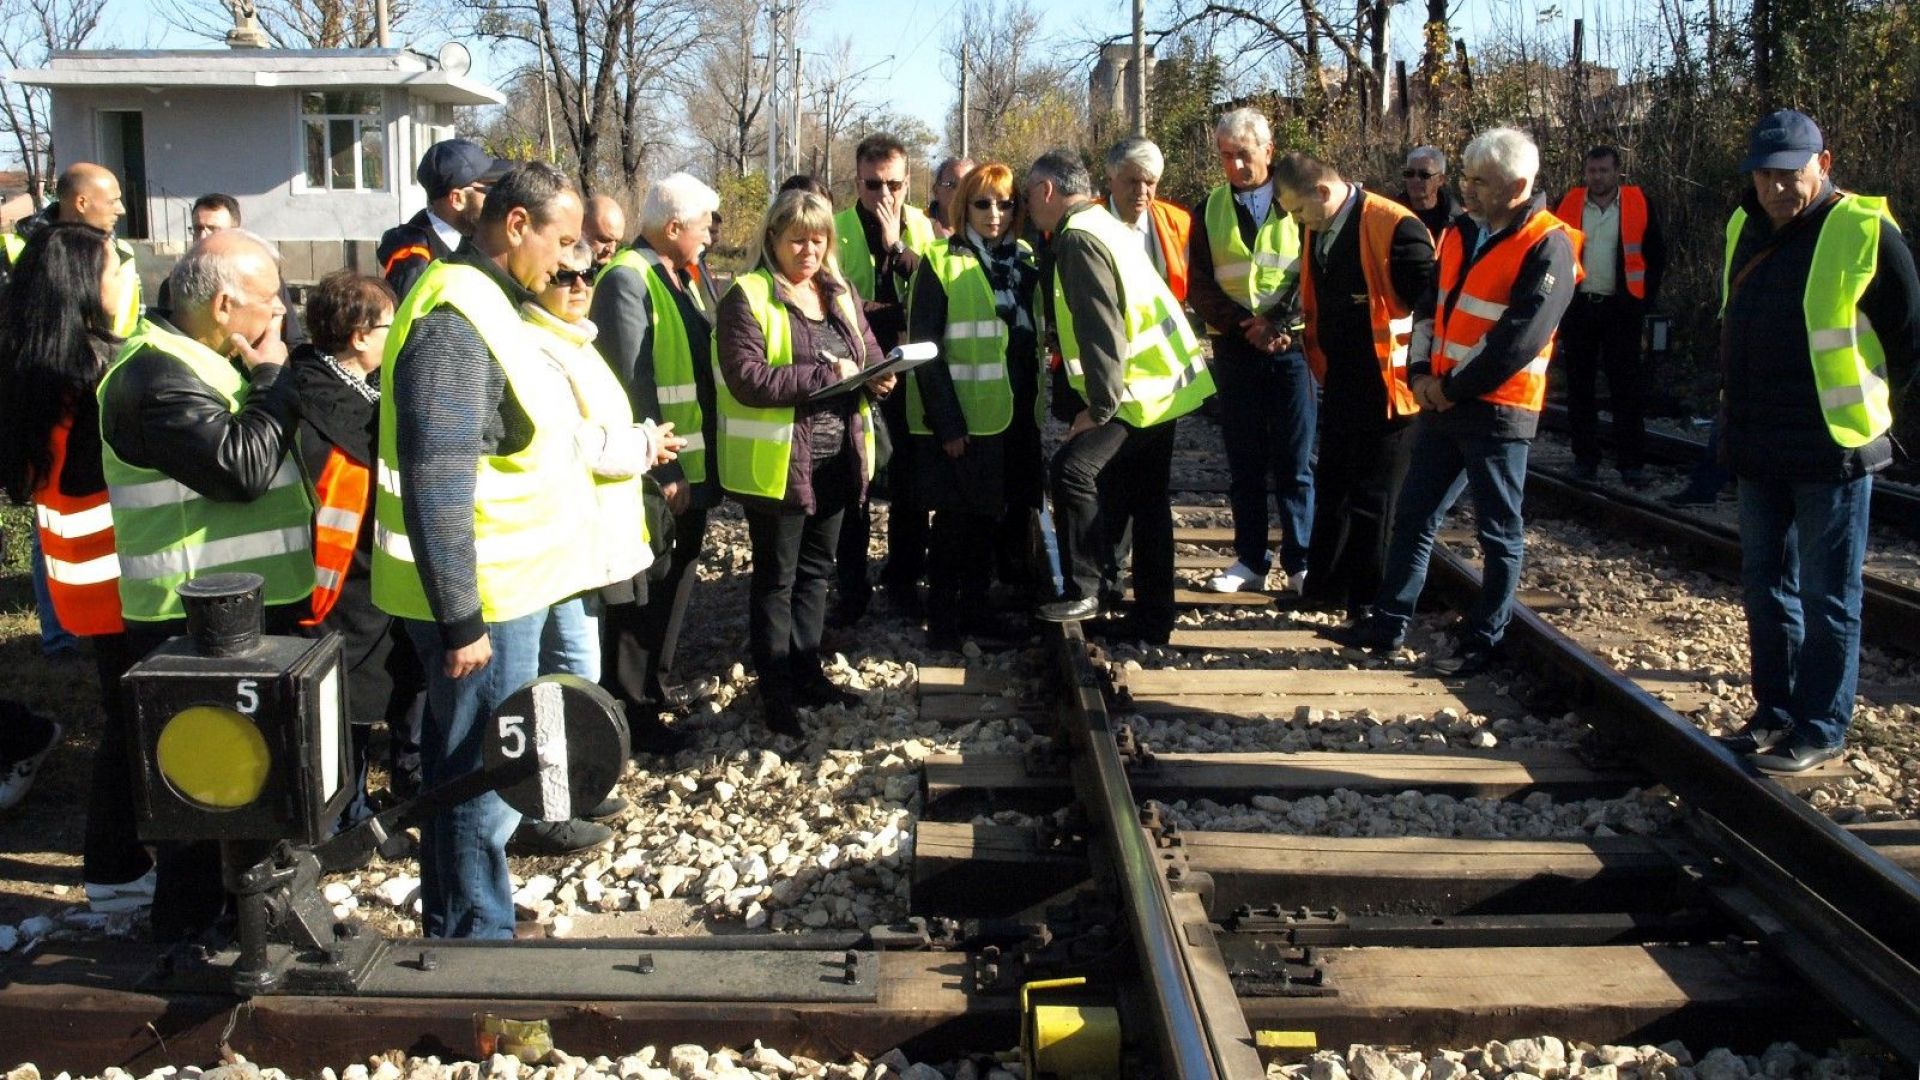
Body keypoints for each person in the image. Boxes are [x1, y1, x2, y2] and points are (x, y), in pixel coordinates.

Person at [372, 161, 595, 938]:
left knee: (465, 761)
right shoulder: (456, 315)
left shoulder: (488, 303)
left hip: (506, 587)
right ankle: (475, 935)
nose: (574, 261)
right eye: (564, 241)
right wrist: (462, 618)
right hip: (485, 600)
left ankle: (463, 914)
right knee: (481, 769)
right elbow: (437, 475)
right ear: (516, 225)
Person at [98, 228, 314, 940]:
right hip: (186, 624)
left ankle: (248, 925)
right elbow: (240, 468)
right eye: (270, 304)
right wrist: (276, 378)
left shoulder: (205, 360)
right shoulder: (155, 376)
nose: (279, 318)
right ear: (226, 304)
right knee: (200, 800)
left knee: (252, 792)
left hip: (240, 618)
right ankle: (184, 950)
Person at [1328, 127, 1579, 677]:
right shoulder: (1465, 230)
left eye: (1477, 181)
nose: (1465, 189)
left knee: (1498, 531)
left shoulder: (1547, 242)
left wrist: (1448, 387)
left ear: (1517, 185)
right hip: (1443, 402)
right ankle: (1389, 622)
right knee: (1415, 515)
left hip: (1499, 410)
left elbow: (1519, 338)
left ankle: (1486, 638)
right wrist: (1419, 372)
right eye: (1464, 177)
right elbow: (1428, 306)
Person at [1712, 110, 1918, 773]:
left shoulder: (1862, 230)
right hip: (1757, 439)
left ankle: (1822, 724)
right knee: (1764, 587)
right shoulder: (1744, 225)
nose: (1776, 187)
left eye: (1790, 173)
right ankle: (1774, 712)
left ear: (1822, 165)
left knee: (1829, 597)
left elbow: (1908, 335)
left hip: (1830, 445)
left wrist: (1879, 406)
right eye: (1765, 174)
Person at [0, 223, 153, 913]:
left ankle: (120, 864)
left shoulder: (32, 370)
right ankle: (117, 870)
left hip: (78, 576)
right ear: (86, 288)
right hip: (124, 576)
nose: (129, 275)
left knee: (124, 717)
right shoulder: (95, 375)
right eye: (118, 266)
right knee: (131, 728)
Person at [714, 189, 898, 734]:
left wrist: (879, 376)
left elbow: (864, 354)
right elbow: (747, 379)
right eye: (797, 239)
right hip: (778, 467)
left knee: (817, 574)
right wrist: (827, 377)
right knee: (776, 579)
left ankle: (807, 672)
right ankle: (776, 693)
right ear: (772, 239)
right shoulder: (746, 296)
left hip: (838, 458)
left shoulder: (838, 295)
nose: (809, 251)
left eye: (818, 240)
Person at [518, 240, 679, 850]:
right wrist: (643, 446)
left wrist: (638, 438)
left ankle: (574, 787)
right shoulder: (538, 346)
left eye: (587, 274)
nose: (580, 283)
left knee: (579, 673)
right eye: (564, 274)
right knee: (560, 679)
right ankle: (548, 808)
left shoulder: (574, 339)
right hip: (556, 541)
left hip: (581, 543)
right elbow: (574, 443)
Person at [1027, 149, 1214, 645]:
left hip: (1134, 393)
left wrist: (1099, 408)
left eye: (1029, 194)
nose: (1028, 206)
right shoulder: (1104, 223)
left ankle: (1089, 587)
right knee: (1146, 502)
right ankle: (1154, 617)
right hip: (1164, 385)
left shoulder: (1078, 238)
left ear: (1047, 190)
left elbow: (1101, 328)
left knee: (1071, 471)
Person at [286, 270, 422, 856]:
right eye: (392, 325)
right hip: (336, 582)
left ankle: (366, 803)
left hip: (372, 575)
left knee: (370, 700)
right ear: (362, 335)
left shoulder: (367, 387)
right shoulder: (316, 395)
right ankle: (342, 820)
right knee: (341, 710)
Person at [591, 172, 724, 755]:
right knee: (644, 591)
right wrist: (662, 471)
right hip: (657, 471)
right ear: (673, 228)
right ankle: (630, 712)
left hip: (689, 463)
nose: (711, 237)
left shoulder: (684, 276)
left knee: (675, 583)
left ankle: (654, 692)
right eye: (704, 226)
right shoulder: (628, 278)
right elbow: (630, 381)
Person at [1273, 152, 1435, 623]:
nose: (1297, 221)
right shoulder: (1319, 227)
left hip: (1389, 384)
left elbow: (1429, 304)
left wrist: (1423, 374)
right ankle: (1324, 588)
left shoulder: (1394, 226)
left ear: (1323, 192)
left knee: (1375, 498)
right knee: (1335, 487)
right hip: (1343, 376)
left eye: (1299, 210)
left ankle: (1369, 604)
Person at [906, 162, 1043, 649]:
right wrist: (947, 424)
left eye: (1005, 204)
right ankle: (944, 625)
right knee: (953, 525)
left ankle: (978, 611)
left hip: (1013, 417)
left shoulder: (1024, 258)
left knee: (990, 521)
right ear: (964, 205)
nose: (995, 214)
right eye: (983, 203)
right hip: (963, 420)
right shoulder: (939, 259)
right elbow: (925, 349)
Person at [1188, 109, 1315, 597]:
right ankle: (1250, 560)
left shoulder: (1297, 201)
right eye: (1226, 156)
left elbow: (1312, 271)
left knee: (1295, 458)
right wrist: (1245, 326)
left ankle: (1301, 561)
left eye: (1243, 154)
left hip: (1292, 348)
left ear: (1267, 149)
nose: (1235, 165)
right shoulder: (1210, 208)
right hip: (1238, 348)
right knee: (1243, 458)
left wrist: (1278, 323)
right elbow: (1199, 283)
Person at [831, 134, 938, 626]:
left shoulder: (921, 228)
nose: (885, 196)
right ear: (858, 181)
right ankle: (851, 588)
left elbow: (935, 296)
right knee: (854, 480)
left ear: (908, 181)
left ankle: (902, 577)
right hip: (857, 375)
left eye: (894, 184)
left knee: (912, 483)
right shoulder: (837, 230)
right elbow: (835, 304)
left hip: (911, 374)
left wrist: (899, 247)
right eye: (873, 185)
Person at [1553, 146, 1668, 484]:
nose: (1597, 177)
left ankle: (1631, 463)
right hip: (1579, 307)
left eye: (1603, 170)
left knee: (1626, 388)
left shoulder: (1637, 202)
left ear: (1617, 172)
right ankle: (1584, 458)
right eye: (1592, 171)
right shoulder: (1569, 202)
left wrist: (1643, 301)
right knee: (1579, 387)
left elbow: (1656, 254)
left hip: (1622, 308)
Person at [155, 193, 307, 348]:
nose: (202, 237)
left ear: (235, 233)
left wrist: (273, 367)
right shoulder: (174, 285)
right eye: (197, 228)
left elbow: (293, 340)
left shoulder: (265, 283)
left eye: (213, 229)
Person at [5, 164, 141, 337]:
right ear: (81, 203)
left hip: (116, 361)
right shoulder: (15, 250)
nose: (121, 210)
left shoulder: (122, 252)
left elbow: (135, 321)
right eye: (112, 201)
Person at [376, 139, 509, 300]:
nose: (498, 196)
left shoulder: (475, 238)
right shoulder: (415, 258)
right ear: (457, 199)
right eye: (490, 189)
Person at [1099, 136, 1192, 300]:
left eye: (1150, 182)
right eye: (1132, 181)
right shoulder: (1088, 221)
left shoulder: (1179, 222)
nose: (1141, 191)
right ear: (1109, 181)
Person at [1393, 146, 1462, 239]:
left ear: (1441, 180)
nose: (1416, 179)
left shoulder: (1458, 221)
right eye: (1410, 173)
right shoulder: (1392, 215)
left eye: (1424, 175)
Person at [926, 157, 975, 239]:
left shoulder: (985, 229)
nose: (961, 192)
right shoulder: (919, 225)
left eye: (969, 185)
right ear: (936, 191)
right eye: (952, 185)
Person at [583, 194, 627, 270]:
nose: (612, 250)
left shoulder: (613, 275)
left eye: (616, 242)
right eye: (604, 239)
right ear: (582, 227)